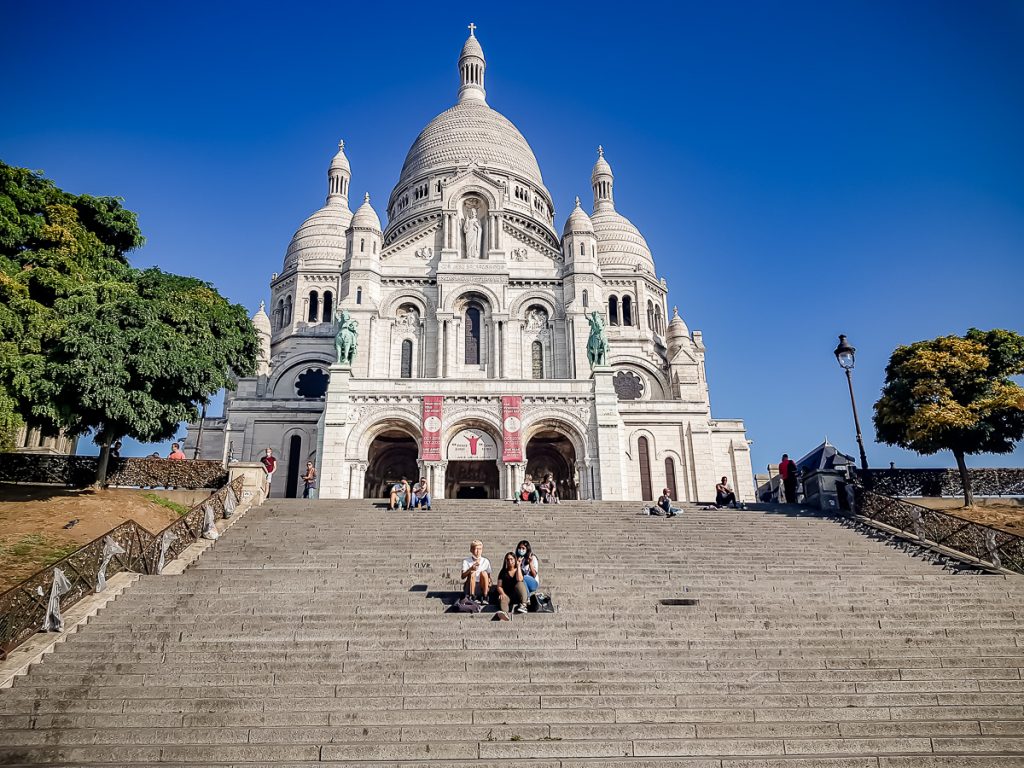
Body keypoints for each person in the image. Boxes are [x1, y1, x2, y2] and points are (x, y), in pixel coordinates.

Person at [495, 552, 529, 620]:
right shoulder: (503, 572)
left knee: (520, 583)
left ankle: (523, 605)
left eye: (511, 559)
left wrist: (518, 566)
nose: (509, 561)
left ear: (515, 560)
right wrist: (502, 593)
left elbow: (519, 579)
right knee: (503, 597)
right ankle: (505, 613)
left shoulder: (519, 570)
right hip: (507, 595)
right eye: (507, 559)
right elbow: (499, 586)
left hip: (517, 595)